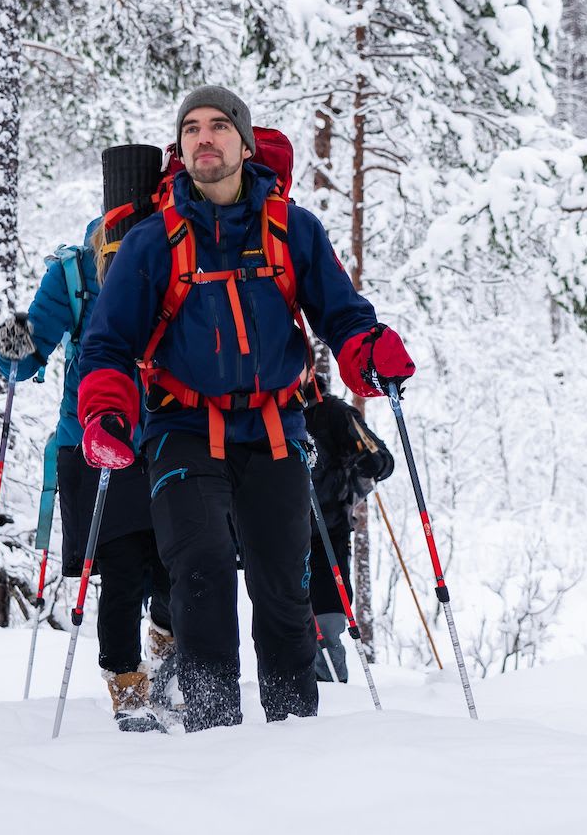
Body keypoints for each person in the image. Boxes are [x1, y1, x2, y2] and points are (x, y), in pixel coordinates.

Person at [76, 85, 417, 729]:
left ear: (244, 140)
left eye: (219, 126)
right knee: (201, 579)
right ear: (181, 149)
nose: (205, 138)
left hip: (273, 430)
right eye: (192, 129)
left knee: (284, 592)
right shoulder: (154, 241)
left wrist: (369, 352)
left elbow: (341, 315)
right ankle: (214, 741)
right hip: (181, 427)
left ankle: (295, 737)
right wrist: (108, 411)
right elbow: (108, 344)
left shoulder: (293, 230)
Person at [0, 221, 175, 732]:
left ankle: (165, 655)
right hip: (94, 439)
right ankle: (128, 686)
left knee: (176, 565)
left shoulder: (179, 252)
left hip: (170, 435)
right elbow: (30, 354)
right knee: (120, 570)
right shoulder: (74, 273)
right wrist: (13, 344)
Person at [303, 390, 394, 682]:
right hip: (278, 535)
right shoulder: (261, 405)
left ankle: (332, 695)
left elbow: (381, 458)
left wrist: (372, 461)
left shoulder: (331, 412)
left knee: (327, 623)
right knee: (285, 622)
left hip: (328, 535)